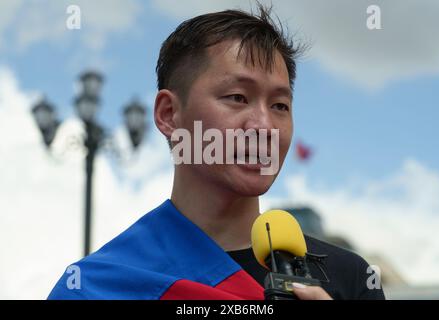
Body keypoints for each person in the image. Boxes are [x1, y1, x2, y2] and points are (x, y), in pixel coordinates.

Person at [48, 5, 385, 300]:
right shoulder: (95, 288)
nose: (264, 125)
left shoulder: (349, 279)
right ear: (168, 114)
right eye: (237, 97)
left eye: (280, 105)